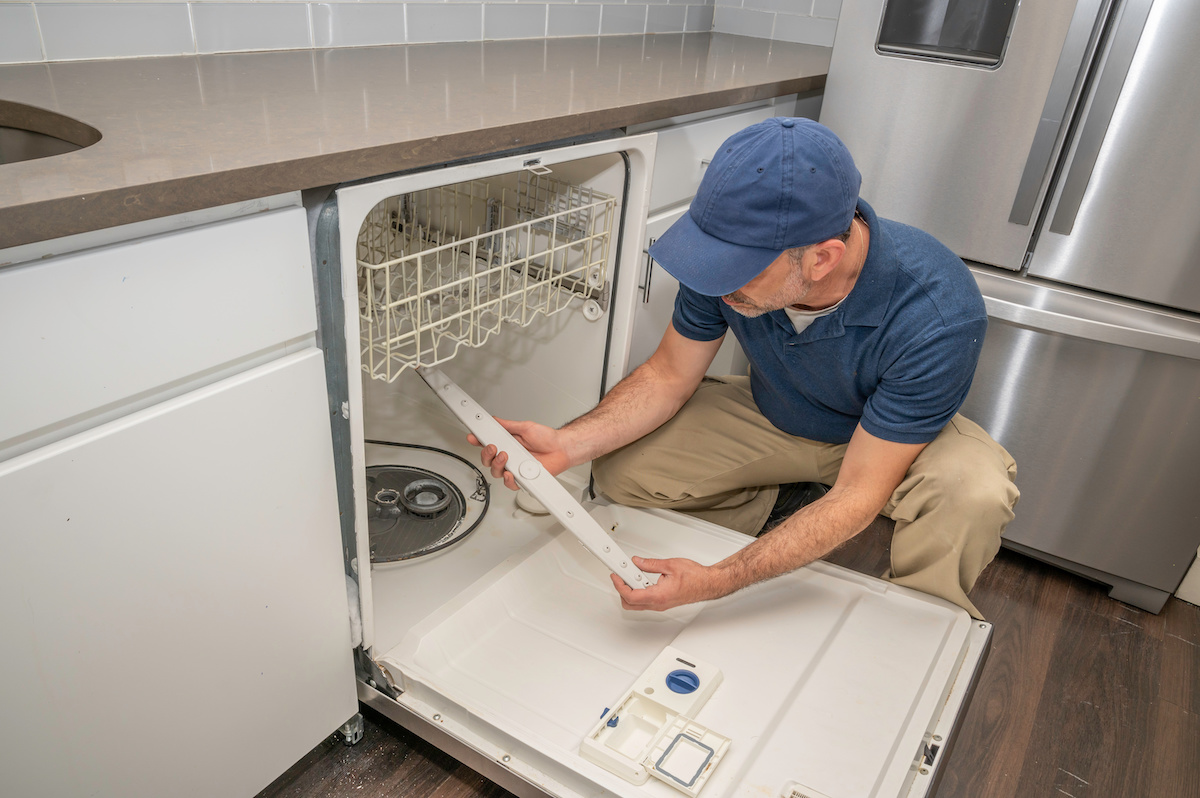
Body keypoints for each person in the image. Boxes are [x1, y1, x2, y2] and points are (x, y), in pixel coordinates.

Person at [473, 118, 1018, 619]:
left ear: (822, 258)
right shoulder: (726, 266)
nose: (718, 282)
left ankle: (917, 622)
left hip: (889, 445)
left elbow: (859, 490)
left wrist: (718, 581)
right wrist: (566, 444)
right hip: (778, 412)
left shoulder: (938, 312)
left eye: (738, 270)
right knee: (621, 470)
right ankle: (784, 503)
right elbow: (668, 376)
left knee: (972, 493)